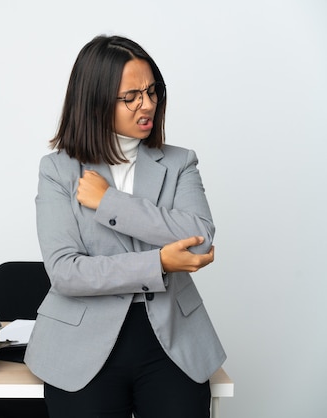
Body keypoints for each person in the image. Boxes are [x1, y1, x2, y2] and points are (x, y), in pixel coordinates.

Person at [24, 35, 226, 418]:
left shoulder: (180, 162)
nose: (147, 104)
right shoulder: (58, 170)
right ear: (96, 101)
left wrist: (109, 203)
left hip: (172, 341)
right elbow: (66, 271)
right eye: (131, 96)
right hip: (80, 345)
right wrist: (160, 263)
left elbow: (199, 242)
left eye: (152, 91)